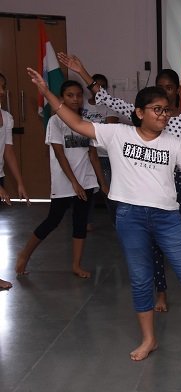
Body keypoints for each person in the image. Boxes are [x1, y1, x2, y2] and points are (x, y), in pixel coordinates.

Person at [27, 66, 181, 360]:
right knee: (140, 278)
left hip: (168, 218)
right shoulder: (117, 134)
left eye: (166, 110)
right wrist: (46, 92)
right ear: (139, 112)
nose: (163, 115)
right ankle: (149, 339)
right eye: (157, 110)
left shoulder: (173, 143)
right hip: (130, 217)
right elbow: (75, 122)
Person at [58, 53, 181, 310]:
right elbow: (107, 99)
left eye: (169, 88)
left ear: (177, 90)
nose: (165, 92)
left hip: (176, 186)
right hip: (145, 190)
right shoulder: (144, 114)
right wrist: (83, 71)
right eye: (160, 87)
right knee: (152, 245)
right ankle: (161, 293)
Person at [15, 80, 107, 278]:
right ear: (61, 98)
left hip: (86, 180)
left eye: (78, 95)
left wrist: (103, 183)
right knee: (53, 220)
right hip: (65, 182)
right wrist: (74, 182)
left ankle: (76, 265)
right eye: (70, 95)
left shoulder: (87, 123)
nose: (75, 99)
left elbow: (93, 155)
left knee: (80, 222)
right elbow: (59, 154)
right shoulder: (55, 122)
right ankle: (24, 255)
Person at [0, 72, 30, 290]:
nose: (2, 92)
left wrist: (19, 182)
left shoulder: (6, 117)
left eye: (3, 86)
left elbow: (8, 151)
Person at [81, 73, 120, 229]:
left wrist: (89, 129)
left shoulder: (110, 106)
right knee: (88, 189)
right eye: (96, 85)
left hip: (104, 155)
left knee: (107, 190)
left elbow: (110, 130)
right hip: (85, 154)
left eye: (103, 86)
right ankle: (87, 221)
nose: (99, 88)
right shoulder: (82, 105)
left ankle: (117, 221)